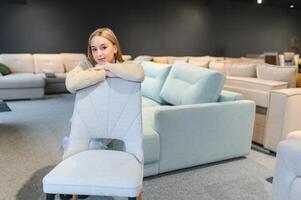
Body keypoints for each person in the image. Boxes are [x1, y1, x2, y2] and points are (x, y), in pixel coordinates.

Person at [61, 28, 144, 200]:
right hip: (87, 122)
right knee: (80, 144)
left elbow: (139, 74)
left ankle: (79, 182)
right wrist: (102, 74)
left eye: (104, 47)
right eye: (94, 49)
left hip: (113, 123)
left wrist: (106, 68)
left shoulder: (124, 65)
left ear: (115, 47)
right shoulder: (86, 63)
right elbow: (71, 83)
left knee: (88, 146)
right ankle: (78, 182)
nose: (99, 53)